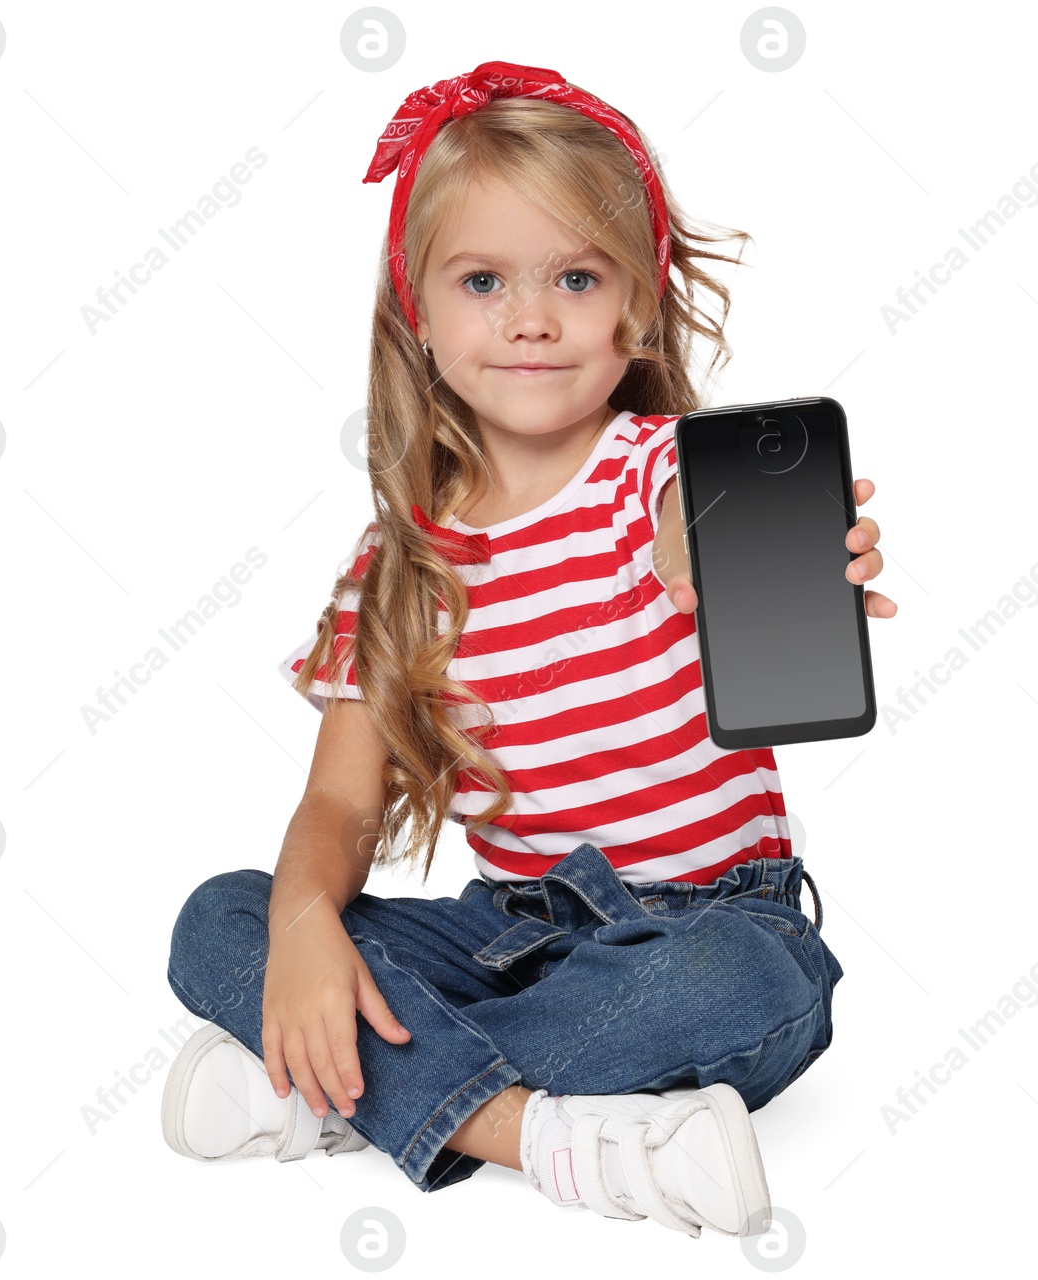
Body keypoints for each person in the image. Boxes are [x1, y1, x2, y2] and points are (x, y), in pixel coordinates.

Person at [162, 59, 897, 1239]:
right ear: (419, 310)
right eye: (482, 279)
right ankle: (543, 1132)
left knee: (738, 986)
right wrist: (303, 929)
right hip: (514, 932)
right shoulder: (393, 564)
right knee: (224, 915)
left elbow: (685, 536)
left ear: (637, 303)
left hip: (716, 917)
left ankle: (334, 1086)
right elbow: (340, 811)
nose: (531, 316)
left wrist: (714, 559)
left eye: (575, 275)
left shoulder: (663, 475)